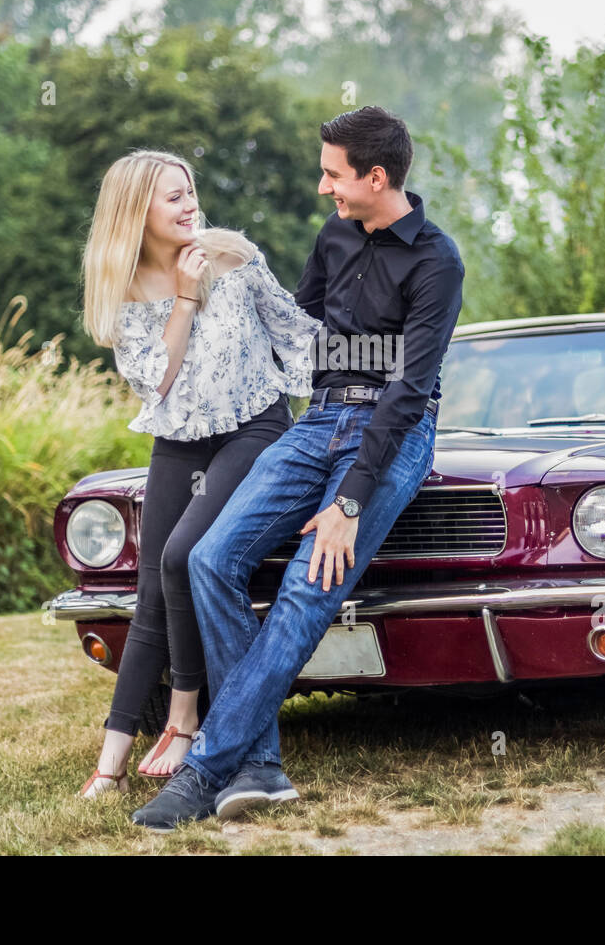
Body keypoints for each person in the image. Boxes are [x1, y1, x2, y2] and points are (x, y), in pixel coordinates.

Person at [131, 106, 465, 830]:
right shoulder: (336, 238)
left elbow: (410, 390)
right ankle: (262, 767)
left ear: (376, 177)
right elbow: (292, 330)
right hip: (316, 420)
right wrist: (194, 309)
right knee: (212, 559)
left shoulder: (437, 261)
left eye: (333, 174)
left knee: (306, 587)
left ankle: (208, 766)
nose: (324, 189)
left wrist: (348, 500)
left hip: (390, 434)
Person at [76, 149, 321, 795]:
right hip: (179, 440)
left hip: (254, 426)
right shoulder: (124, 288)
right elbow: (157, 382)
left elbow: (296, 334)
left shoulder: (234, 258)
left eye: (190, 193)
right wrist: (184, 299)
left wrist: (347, 401)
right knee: (153, 584)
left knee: (185, 554)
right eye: (173, 198)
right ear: (138, 213)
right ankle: (111, 761)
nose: (190, 206)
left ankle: (185, 717)